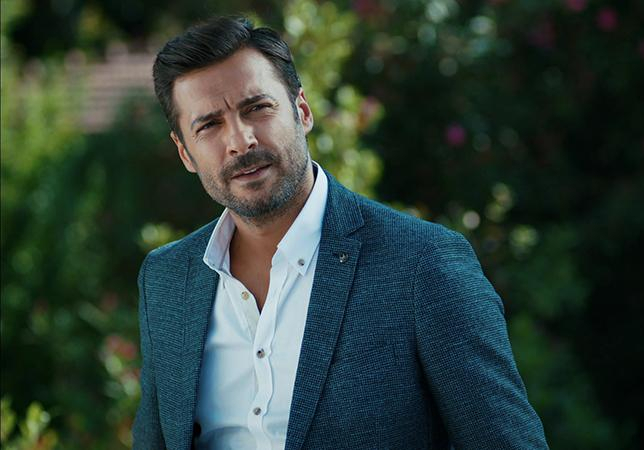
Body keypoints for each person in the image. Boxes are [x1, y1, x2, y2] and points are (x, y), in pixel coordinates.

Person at [134, 15, 549, 450]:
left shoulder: (423, 264)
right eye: (209, 125)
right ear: (185, 152)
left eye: (257, 108)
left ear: (302, 110)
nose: (241, 140)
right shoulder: (166, 279)